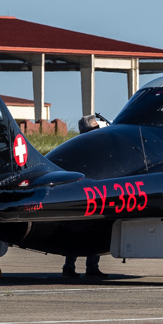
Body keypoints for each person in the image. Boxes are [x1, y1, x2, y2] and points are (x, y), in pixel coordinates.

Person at [62, 114, 108, 279]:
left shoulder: (75, 146)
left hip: (80, 195)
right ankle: (86, 268)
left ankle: (72, 268)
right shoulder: (95, 147)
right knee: (92, 232)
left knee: (78, 233)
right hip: (89, 195)